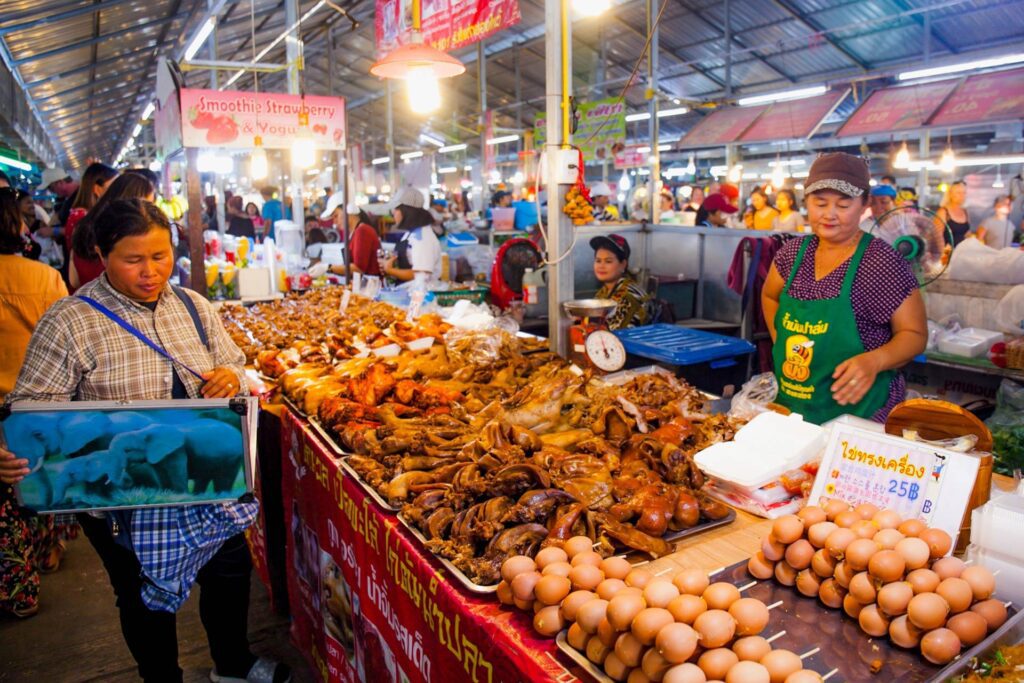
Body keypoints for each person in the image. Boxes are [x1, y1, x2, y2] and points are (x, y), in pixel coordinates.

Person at [0, 198, 289, 683]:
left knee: (228, 569)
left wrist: (229, 378)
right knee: (138, 592)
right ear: (101, 251)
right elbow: (33, 412)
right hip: (120, 495)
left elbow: (236, 365)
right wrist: (12, 455)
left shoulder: (195, 307)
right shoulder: (70, 321)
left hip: (199, 478)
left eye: (160, 256)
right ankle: (161, 676)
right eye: (133, 260)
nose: (150, 271)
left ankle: (233, 664)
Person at [761, 152, 927, 424]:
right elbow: (769, 295)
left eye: (843, 204)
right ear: (807, 203)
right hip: (795, 405)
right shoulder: (792, 254)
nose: (829, 215)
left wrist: (875, 361)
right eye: (820, 203)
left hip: (861, 412)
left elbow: (915, 334)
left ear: (864, 206)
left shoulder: (881, 262)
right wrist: (779, 339)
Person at [0, 188, 74, 619]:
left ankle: (18, 590)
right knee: (37, 479)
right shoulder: (44, 278)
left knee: (4, 506)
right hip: (35, 404)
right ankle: (48, 551)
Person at [71, 172, 156, 292]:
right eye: (148, 205)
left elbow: (73, 279)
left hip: (88, 299)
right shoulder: (124, 234)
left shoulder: (83, 226)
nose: (149, 213)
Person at [65, 162, 119, 290]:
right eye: (113, 186)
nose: (117, 191)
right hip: (90, 287)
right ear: (97, 189)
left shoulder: (81, 214)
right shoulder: (83, 218)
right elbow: (87, 264)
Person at [590, 234, 653, 330]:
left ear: (623, 264)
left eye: (608, 261)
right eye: (598, 261)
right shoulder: (604, 292)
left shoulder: (630, 296)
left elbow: (614, 335)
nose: (601, 266)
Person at [320, 193, 381, 276]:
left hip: (371, 287)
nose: (334, 222)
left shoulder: (362, 231)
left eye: (336, 216)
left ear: (348, 210)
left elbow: (358, 269)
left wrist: (329, 267)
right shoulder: (354, 233)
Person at [382, 204, 441, 285]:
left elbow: (421, 276)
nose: (393, 213)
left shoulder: (423, 238)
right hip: (408, 289)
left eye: (396, 209)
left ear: (406, 211)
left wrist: (390, 270)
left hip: (422, 293)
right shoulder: (411, 233)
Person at [935, 180, 971, 247]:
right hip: (947, 253)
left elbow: (967, 234)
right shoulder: (943, 212)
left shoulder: (965, 211)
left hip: (962, 252)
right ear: (950, 194)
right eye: (958, 193)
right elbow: (937, 236)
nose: (962, 196)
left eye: (964, 193)